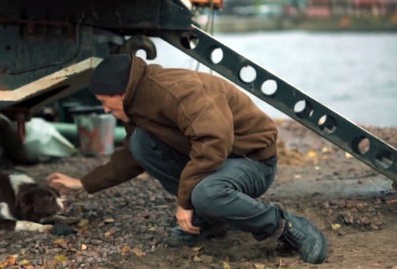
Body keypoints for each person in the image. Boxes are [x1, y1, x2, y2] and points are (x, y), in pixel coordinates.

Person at [47, 54, 328, 264]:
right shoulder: (136, 102)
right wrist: (84, 183)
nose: (104, 109)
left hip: (252, 160)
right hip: (218, 160)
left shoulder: (179, 91)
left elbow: (215, 142)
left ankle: (285, 225)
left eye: (104, 101)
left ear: (121, 93)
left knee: (207, 193)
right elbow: (132, 156)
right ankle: (208, 218)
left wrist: (185, 202)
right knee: (140, 143)